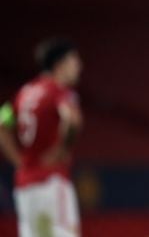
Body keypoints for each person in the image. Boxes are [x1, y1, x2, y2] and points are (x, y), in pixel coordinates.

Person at [0, 38, 83, 237]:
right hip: (52, 180)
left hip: (25, 183)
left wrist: (17, 160)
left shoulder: (24, 92)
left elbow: (2, 122)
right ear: (59, 65)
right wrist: (63, 148)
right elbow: (72, 119)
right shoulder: (60, 92)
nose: (79, 66)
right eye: (75, 60)